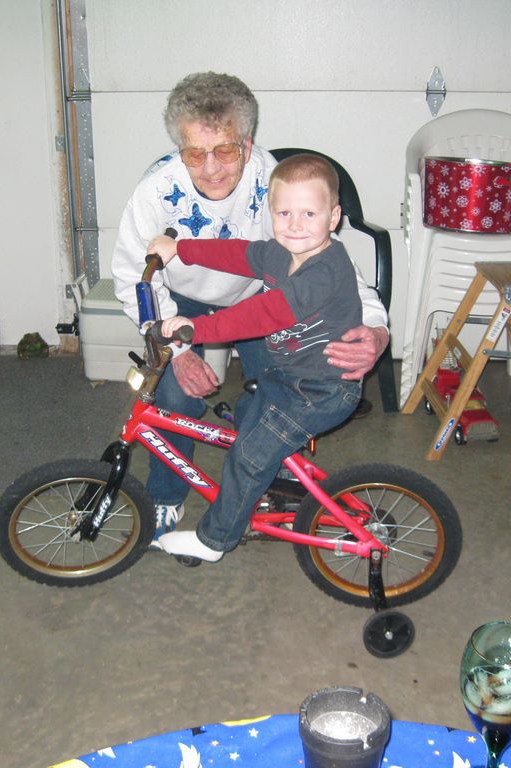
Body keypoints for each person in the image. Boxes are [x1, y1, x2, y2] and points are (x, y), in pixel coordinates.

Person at [111, 71, 389, 539]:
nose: (211, 169)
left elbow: (332, 268)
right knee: (172, 399)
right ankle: (166, 497)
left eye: (225, 150)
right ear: (179, 148)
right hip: (179, 299)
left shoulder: (270, 180)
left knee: (282, 395)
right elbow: (129, 276)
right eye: (195, 153)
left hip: (263, 298)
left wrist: (377, 329)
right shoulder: (154, 191)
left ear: (247, 143)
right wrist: (179, 351)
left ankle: (274, 487)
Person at [149, 153, 362, 561]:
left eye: (309, 213)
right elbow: (239, 254)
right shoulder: (283, 253)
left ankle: (214, 540)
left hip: (321, 391)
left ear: (333, 217)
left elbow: (263, 314)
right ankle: (281, 488)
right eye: (284, 213)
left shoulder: (325, 271)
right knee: (249, 412)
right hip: (289, 376)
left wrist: (197, 329)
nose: (295, 224)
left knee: (247, 457)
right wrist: (180, 249)